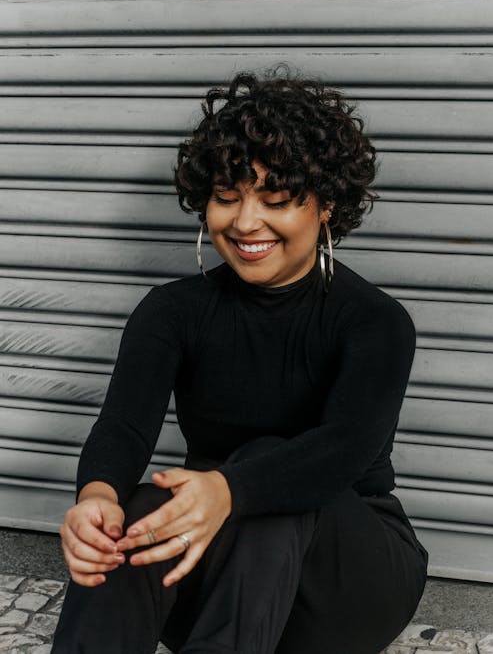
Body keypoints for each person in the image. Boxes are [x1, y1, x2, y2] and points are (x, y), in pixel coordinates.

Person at [51, 66, 429, 654]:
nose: (246, 223)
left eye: (276, 200)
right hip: (214, 564)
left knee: (266, 466)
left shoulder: (375, 321)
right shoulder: (171, 312)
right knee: (134, 515)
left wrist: (230, 487)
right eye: (226, 199)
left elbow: (344, 451)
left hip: (347, 577)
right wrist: (96, 499)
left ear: (326, 204)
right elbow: (124, 425)